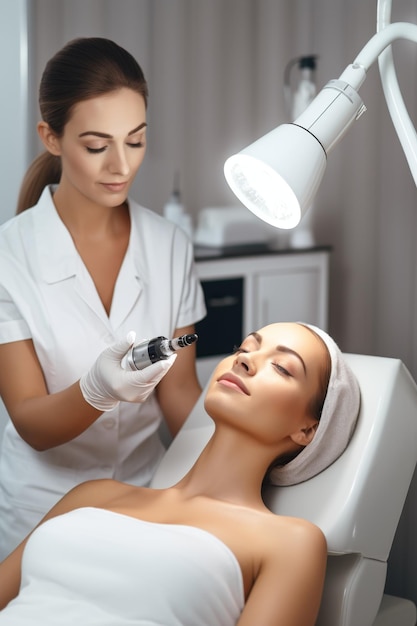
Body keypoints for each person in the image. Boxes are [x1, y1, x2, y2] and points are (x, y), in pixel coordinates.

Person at [0, 322, 361, 626]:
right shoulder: (93, 495)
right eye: (244, 348)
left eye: (282, 367)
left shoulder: (289, 543)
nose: (246, 360)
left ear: (307, 429)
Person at [0, 37, 206, 560]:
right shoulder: (9, 255)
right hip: (43, 512)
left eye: (135, 140)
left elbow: (180, 393)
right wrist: (97, 388)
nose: (122, 165)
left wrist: (229, 475)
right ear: (51, 138)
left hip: (147, 497)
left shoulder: (170, 246)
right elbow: (30, 421)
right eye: (97, 146)